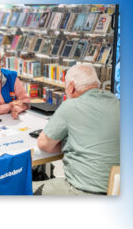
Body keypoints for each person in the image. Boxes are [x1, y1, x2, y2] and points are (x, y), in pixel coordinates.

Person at [34, 64, 120, 195]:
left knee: (23, 187)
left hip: (81, 191)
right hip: (117, 191)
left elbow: (44, 144)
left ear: (71, 86)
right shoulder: (116, 102)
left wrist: (69, 143)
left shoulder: (70, 106)